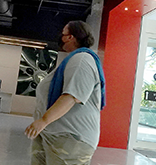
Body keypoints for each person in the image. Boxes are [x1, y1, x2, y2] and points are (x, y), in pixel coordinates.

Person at [25, 20, 106, 165]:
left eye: (63, 34)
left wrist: (44, 121)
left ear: (70, 37)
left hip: (70, 138)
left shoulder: (82, 60)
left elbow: (72, 96)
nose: (60, 37)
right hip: (53, 134)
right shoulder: (72, 60)